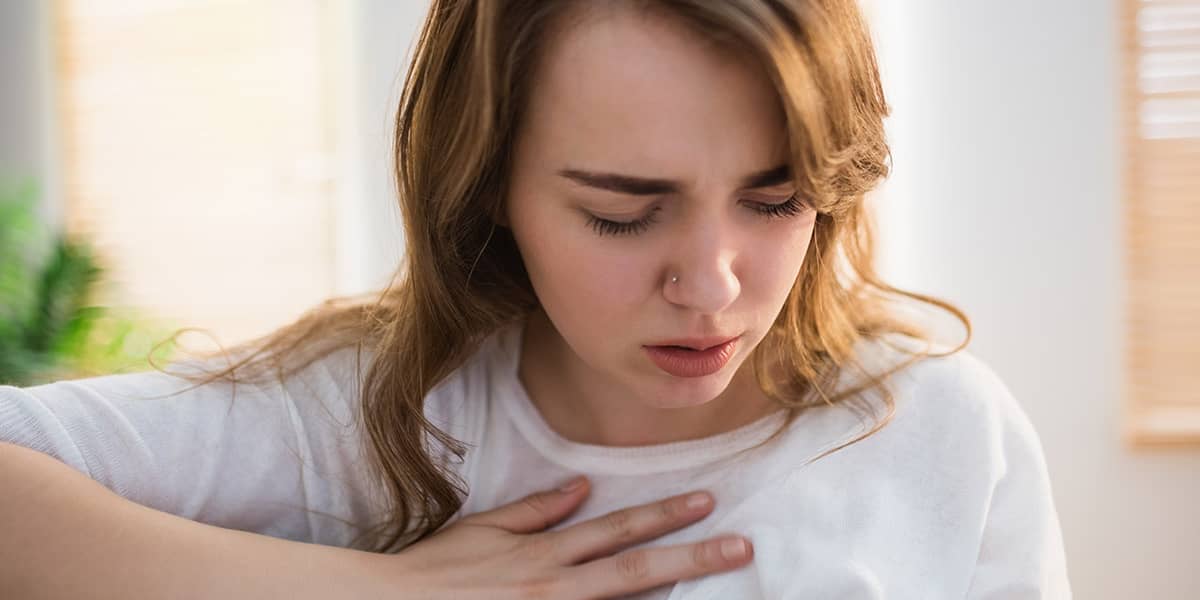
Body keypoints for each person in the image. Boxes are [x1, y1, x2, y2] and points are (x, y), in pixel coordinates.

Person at [0, 0, 1071, 598]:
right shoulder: (370, 415)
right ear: (489, 184)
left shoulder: (937, 427)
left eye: (775, 199)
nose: (712, 286)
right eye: (621, 212)